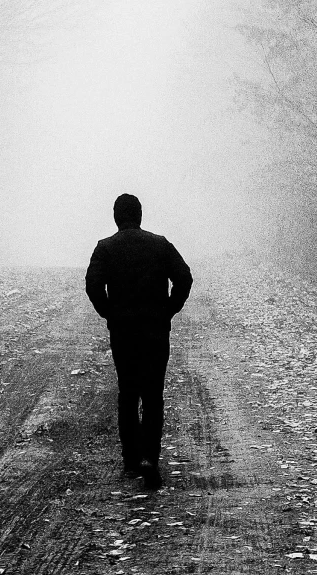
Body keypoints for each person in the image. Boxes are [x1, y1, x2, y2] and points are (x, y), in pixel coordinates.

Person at [83, 192, 192, 487]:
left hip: (123, 332)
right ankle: (150, 458)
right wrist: (168, 310)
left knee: (128, 393)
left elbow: (92, 284)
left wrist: (109, 313)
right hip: (155, 330)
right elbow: (184, 277)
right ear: (140, 215)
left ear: (116, 217)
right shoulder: (160, 245)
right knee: (153, 394)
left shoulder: (105, 248)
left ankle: (131, 459)